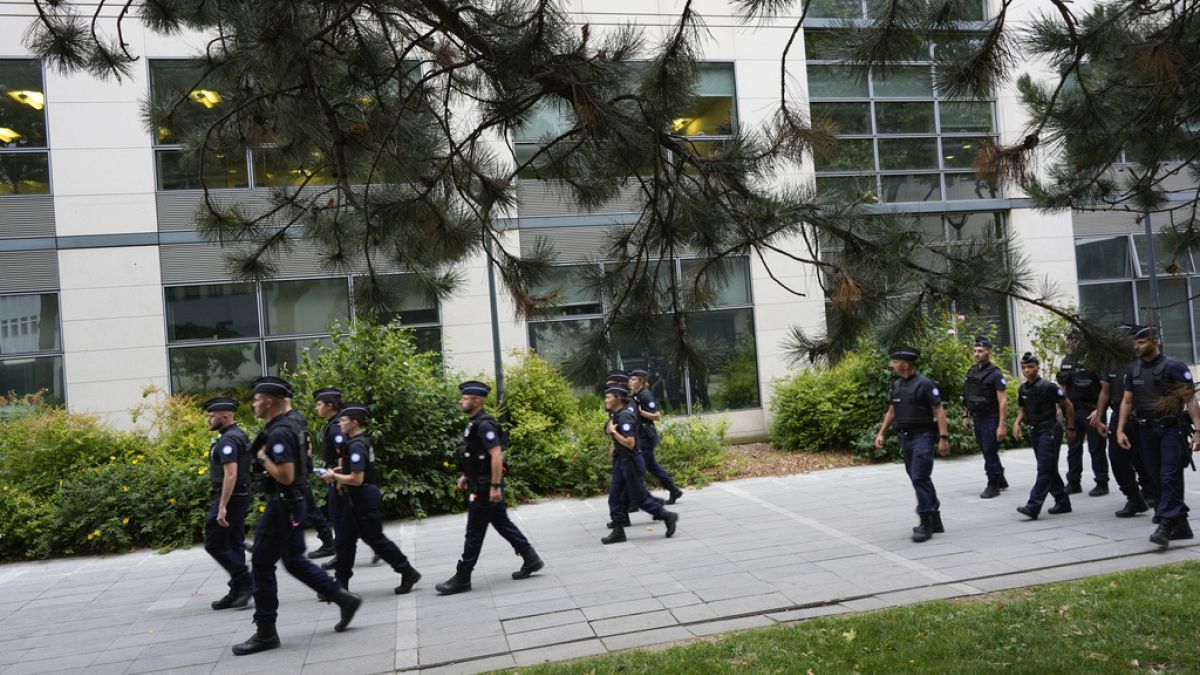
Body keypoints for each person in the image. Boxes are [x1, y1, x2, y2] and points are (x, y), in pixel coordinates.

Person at [232, 376, 361, 656]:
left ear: (268, 402)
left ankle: (266, 631)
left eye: (256, 400)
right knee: (294, 562)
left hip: (283, 505)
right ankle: (343, 598)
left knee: (261, 564)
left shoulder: (280, 432)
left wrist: (263, 457)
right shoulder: (289, 425)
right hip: (293, 503)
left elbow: (286, 476)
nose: (253, 404)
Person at [435, 381, 545, 595]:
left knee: (474, 533)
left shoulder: (485, 425)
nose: (460, 401)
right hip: (480, 482)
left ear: (477, 401)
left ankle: (463, 577)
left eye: (464, 398)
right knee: (502, 523)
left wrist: (495, 486)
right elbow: (477, 454)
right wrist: (466, 475)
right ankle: (530, 558)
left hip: (485, 487)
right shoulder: (475, 423)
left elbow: (496, 455)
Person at [321, 403, 422, 594]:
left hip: (362, 499)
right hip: (355, 498)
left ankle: (407, 571)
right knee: (344, 542)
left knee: (376, 540)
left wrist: (334, 476)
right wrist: (338, 471)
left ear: (354, 422)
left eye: (344, 420)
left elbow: (357, 479)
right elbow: (355, 469)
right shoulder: (357, 442)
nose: (340, 424)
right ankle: (340, 584)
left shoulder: (357, 446)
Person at [1115, 325, 1200, 547]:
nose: (1137, 346)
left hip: (1171, 428)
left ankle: (1165, 523)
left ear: (1155, 341)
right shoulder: (1133, 369)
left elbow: (1190, 399)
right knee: (1156, 478)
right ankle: (1181, 526)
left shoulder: (1174, 366)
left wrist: (1199, 430)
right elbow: (1127, 401)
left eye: (1141, 342)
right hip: (1145, 430)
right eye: (1135, 343)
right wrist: (1120, 429)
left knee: (1169, 475)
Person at [874, 346, 950, 543]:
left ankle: (926, 522)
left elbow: (939, 411)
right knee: (919, 478)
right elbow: (892, 411)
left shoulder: (925, 384)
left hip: (923, 436)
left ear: (906, 365)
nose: (891, 365)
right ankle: (935, 519)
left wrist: (943, 438)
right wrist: (881, 433)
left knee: (919, 477)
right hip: (906, 438)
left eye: (894, 362)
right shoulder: (897, 385)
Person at [1092, 323, 1157, 518]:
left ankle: (1154, 495)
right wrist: (1099, 416)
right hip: (1118, 416)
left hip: (1142, 416)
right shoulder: (1111, 362)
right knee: (1117, 458)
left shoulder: (1143, 361)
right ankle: (1133, 497)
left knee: (1146, 459)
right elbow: (1105, 392)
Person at [602, 384, 679, 544]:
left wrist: (613, 432)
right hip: (621, 460)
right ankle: (618, 531)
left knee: (639, 498)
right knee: (615, 497)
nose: (606, 400)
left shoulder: (625, 416)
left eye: (608, 397)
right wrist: (612, 443)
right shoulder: (618, 414)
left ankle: (667, 515)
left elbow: (630, 443)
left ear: (617, 398)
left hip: (630, 461)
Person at [202, 396, 253, 611]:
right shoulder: (238, 434)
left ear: (225, 416)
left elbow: (231, 474)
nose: (209, 420)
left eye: (212, 416)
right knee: (234, 543)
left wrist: (222, 506)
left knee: (214, 543)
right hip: (240, 494)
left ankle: (246, 582)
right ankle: (238, 590)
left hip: (231, 496)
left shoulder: (228, 440)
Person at [1013, 352, 1076, 520]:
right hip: (1035, 430)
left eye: (1030, 367)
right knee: (1048, 467)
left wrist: (1071, 428)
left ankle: (1033, 506)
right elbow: (1023, 409)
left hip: (1050, 430)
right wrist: (1016, 423)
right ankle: (1063, 502)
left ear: (1037, 368)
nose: (1027, 370)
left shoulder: (1048, 386)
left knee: (1044, 469)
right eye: (1024, 367)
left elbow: (1068, 405)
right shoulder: (1023, 388)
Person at [961, 336, 1009, 499]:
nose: (976, 354)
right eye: (975, 351)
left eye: (980, 351)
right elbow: (967, 395)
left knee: (989, 451)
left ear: (989, 353)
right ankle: (1000, 478)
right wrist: (965, 416)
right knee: (986, 450)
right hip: (978, 417)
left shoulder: (995, 374)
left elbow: (1003, 401)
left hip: (991, 417)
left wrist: (1002, 425)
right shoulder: (971, 371)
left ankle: (993, 485)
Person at [1058, 353, 1110, 495]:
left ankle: (1102, 482)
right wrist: (1060, 407)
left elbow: (1105, 388)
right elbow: (1062, 386)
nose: (1072, 343)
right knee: (1073, 447)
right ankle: (1073, 482)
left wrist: (1099, 411)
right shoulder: (1067, 360)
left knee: (1096, 447)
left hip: (1092, 409)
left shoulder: (1096, 358)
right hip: (1073, 410)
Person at [629, 368, 684, 505]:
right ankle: (673, 490)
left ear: (641, 381)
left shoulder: (645, 395)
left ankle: (670, 491)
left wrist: (641, 412)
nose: (630, 381)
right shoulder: (636, 395)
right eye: (630, 379)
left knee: (646, 466)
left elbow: (657, 416)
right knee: (648, 466)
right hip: (640, 435)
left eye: (633, 379)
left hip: (646, 436)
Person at [311, 387, 343, 567]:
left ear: (329, 406)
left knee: (338, 516)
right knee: (348, 517)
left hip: (338, 477)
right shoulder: (333, 424)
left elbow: (343, 453)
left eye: (319, 404)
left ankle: (341, 556)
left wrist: (336, 475)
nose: (317, 408)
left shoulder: (335, 427)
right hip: (336, 475)